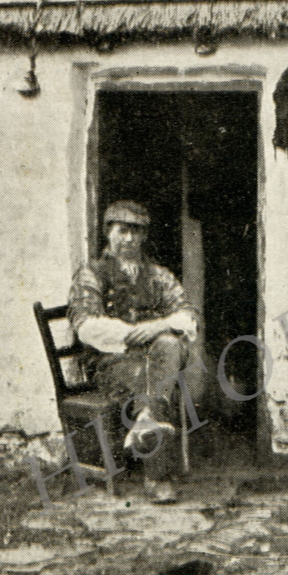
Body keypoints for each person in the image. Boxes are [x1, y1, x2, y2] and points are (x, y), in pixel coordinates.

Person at [68, 200, 205, 504]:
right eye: (122, 231)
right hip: (111, 360)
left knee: (169, 345)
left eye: (136, 232)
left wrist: (157, 326)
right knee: (152, 379)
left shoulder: (158, 275)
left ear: (144, 236)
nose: (129, 239)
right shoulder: (91, 274)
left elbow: (187, 317)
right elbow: (85, 325)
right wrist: (133, 334)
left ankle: (146, 420)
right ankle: (157, 477)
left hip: (157, 356)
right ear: (108, 233)